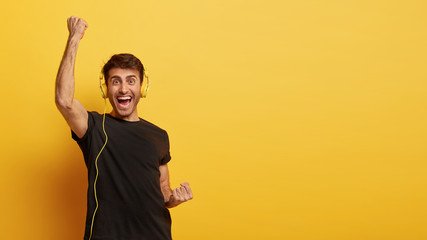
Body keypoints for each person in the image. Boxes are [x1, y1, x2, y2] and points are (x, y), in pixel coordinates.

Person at [55, 16, 193, 240]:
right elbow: (64, 100)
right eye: (115, 81)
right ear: (106, 88)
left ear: (142, 87)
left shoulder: (159, 135)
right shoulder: (94, 128)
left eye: (130, 80)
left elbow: (163, 190)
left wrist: (173, 199)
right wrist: (74, 39)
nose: (123, 89)